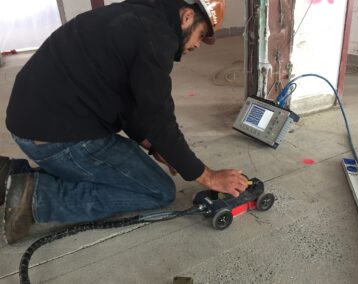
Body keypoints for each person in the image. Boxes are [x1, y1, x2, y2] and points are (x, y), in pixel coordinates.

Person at [0, 0, 248, 245]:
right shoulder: (157, 38)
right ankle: (37, 198)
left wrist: (153, 146)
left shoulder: (139, 16)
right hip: (57, 138)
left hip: (31, 121)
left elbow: (129, 101)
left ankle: (12, 176)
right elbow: (159, 118)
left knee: (132, 162)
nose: (196, 45)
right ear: (186, 18)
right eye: (201, 34)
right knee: (157, 190)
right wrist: (207, 176)